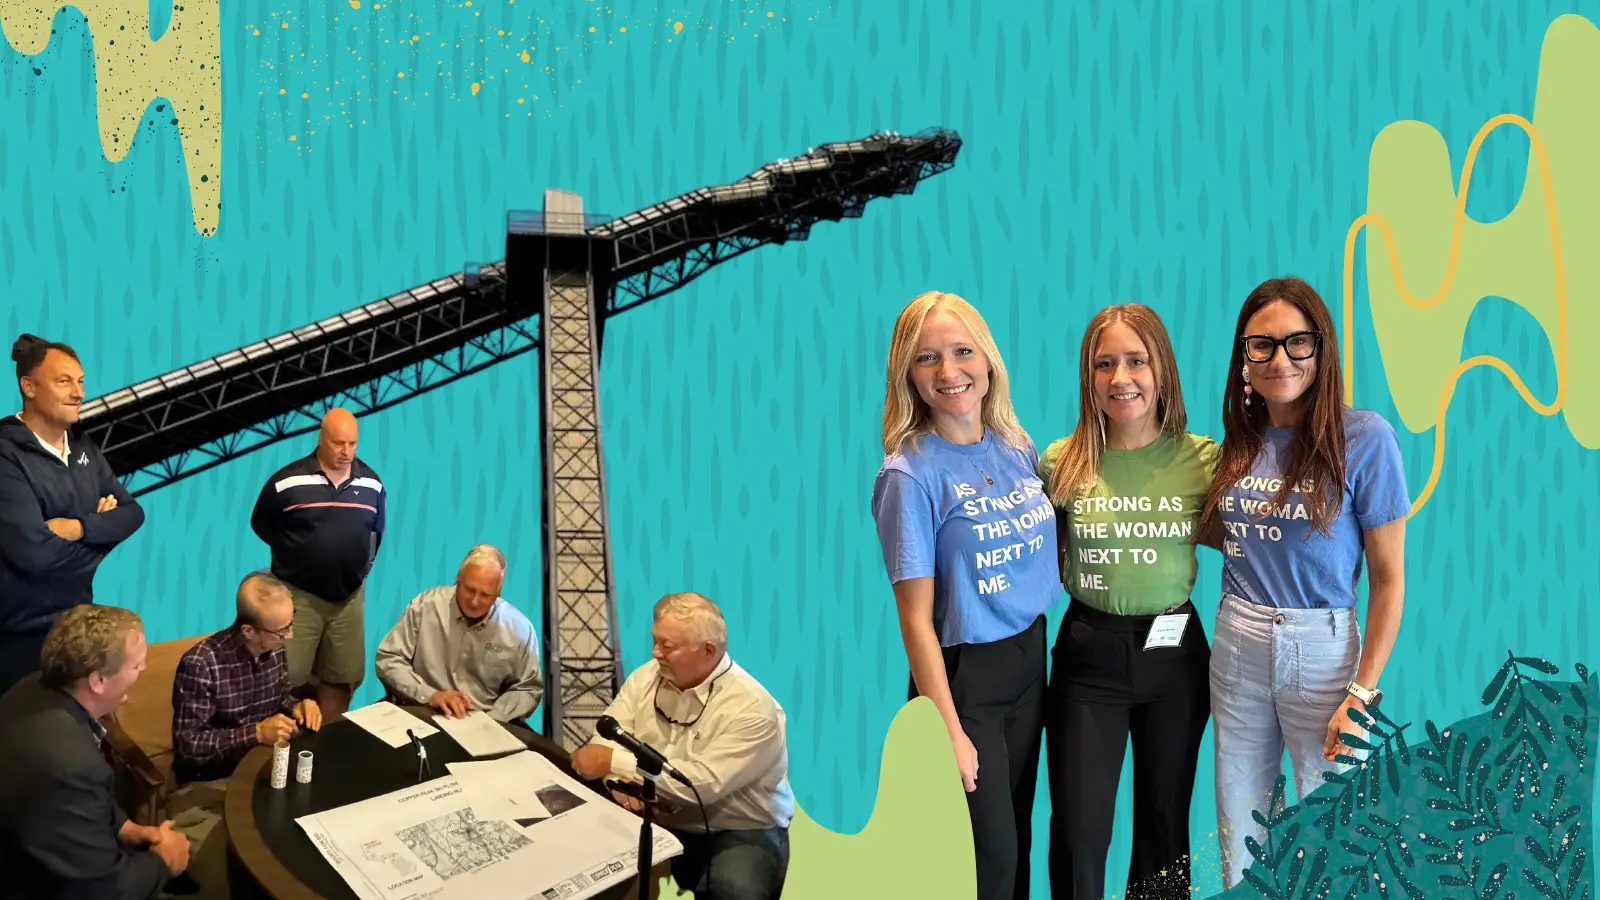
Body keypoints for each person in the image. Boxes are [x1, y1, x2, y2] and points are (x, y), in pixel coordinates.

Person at [1197, 276, 1409, 887]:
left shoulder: (1365, 438)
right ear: (1243, 356)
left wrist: (1363, 694)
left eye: (1297, 342)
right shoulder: (1235, 443)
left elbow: (1389, 581)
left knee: (1333, 829)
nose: (1280, 359)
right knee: (1242, 828)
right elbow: (1219, 537)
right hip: (1237, 642)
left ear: (1322, 350)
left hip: (1322, 655)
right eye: (1261, 345)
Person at [870, 291, 1060, 900]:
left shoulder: (1015, 446)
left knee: (1019, 842)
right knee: (989, 863)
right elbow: (916, 623)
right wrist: (948, 730)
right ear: (908, 374)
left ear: (988, 361)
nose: (948, 372)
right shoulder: (908, 476)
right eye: (927, 358)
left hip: (1030, 659)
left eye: (961, 351)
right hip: (962, 679)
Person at [1038, 304, 1218, 899]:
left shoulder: (1205, 461)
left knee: (1165, 827)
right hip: (1089, 656)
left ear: (1161, 369)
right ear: (1088, 378)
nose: (1122, 378)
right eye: (1104, 364)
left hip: (1176, 659)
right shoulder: (1060, 463)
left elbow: (1254, 546)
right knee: (1079, 834)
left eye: (1136, 361)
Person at [570, 593, 793, 900]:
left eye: (667, 646)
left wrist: (613, 764)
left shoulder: (753, 709)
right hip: (654, 815)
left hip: (737, 831)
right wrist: (617, 783)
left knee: (736, 890)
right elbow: (605, 735)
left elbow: (698, 786)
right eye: (655, 641)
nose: (655, 652)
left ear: (708, 651)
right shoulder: (645, 677)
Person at [0, 604, 190, 898]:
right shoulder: (71, 766)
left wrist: (127, 828)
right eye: (137, 664)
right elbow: (100, 889)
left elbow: (78, 808)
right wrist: (164, 861)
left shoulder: (29, 689)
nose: (144, 670)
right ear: (97, 681)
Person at [0, 334, 145, 695]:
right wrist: (103, 536)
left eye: (81, 382)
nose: (78, 392)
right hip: (17, 637)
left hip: (75, 625)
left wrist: (79, 526)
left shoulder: (84, 448)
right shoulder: (6, 454)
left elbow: (132, 513)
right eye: (64, 381)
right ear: (29, 387)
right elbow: (33, 555)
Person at [167, 572, 320, 898]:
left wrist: (299, 706)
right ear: (248, 629)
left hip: (264, 775)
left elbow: (280, 700)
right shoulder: (201, 664)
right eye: (282, 631)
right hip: (208, 786)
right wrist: (254, 734)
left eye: (291, 625)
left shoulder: (273, 647)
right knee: (235, 880)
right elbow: (189, 747)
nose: (290, 637)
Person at [250, 407, 384, 722]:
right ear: (321, 439)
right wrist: (299, 557)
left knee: (342, 676)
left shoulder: (373, 485)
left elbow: (376, 534)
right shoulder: (286, 482)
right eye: (339, 443)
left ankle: (329, 748)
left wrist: (358, 572)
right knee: (287, 678)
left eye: (352, 444)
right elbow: (262, 525)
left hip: (349, 598)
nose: (346, 452)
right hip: (297, 596)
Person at [375, 543, 544, 723]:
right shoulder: (425, 606)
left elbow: (528, 688)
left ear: (498, 593)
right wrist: (430, 695)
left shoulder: (520, 630)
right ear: (458, 579)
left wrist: (493, 720)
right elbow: (389, 659)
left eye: (485, 595)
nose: (474, 601)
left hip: (486, 723)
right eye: (469, 590)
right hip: (421, 713)